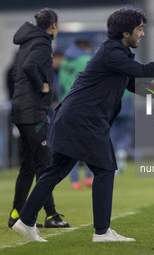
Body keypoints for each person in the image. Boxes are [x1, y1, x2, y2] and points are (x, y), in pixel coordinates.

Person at [12, 6, 154, 242]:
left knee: (56, 170)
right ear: (126, 33)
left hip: (75, 119)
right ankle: (102, 232)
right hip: (83, 121)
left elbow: (134, 85)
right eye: (140, 29)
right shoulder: (113, 53)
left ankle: (26, 220)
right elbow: (146, 72)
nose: (142, 34)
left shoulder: (117, 53)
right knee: (105, 169)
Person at [9, 8, 69, 229]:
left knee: (27, 166)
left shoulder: (26, 42)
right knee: (44, 164)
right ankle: (51, 215)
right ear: (52, 26)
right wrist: (41, 87)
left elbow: (17, 71)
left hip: (20, 109)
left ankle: (16, 213)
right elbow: (29, 67)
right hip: (33, 111)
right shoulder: (43, 43)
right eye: (58, 25)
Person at [58, 39, 94, 190]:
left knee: (71, 146)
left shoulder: (65, 62)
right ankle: (88, 177)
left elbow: (60, 85)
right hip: (84, 107)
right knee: (91, 145)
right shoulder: (87, 60)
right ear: (85, 47)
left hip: (66, 106)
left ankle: (74, 181)